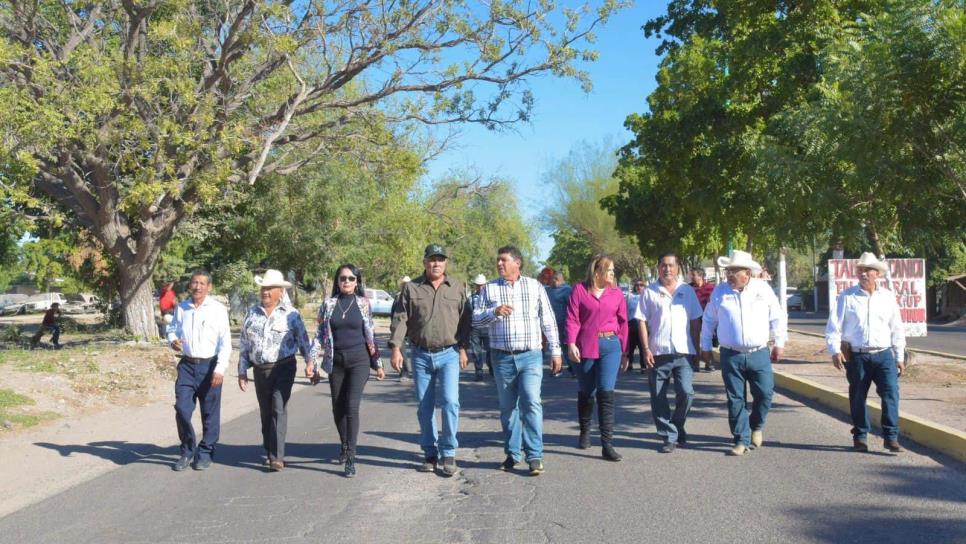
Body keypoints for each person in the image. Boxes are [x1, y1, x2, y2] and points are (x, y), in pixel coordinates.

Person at [474, 245, 563, 476]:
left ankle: (534, 456)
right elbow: (475, 320)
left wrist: (555, 351)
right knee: (508, 408)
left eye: (504, 260)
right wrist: (493, 312)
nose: (499, 264)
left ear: (517, 263)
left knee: (532, 402)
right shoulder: (489, 289)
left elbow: (548, 320)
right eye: (498, 260)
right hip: (502, 357)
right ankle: (513, 454)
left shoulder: (534, 286)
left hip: (530, 355)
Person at [389, 245, 471, 477]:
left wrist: (463, 349)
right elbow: (400, 319)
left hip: (449, 353)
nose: (436, 264)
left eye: (440, 260)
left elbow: (466, 321)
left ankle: (448, 453)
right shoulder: (411, 288)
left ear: (445, 263)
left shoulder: (457, 287)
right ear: (424, 262)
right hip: (421, 354)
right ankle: (429, 452)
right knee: (424, 406)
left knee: (450, 402)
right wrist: (396, 349)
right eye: (432, 259)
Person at [700, 251, 786, 456]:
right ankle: (741, 439)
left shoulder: (762, 289)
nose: (729, 274)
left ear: (746, 272)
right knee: (735, 398)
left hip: (759, 353)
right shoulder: (720, 292)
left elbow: (777, 317)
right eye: (727, 270)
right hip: (731, 354)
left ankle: (756, 426)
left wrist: (779, 342)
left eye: (733, 271)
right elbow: (709, 320)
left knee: (765, 393)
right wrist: (705, 347)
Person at [824, 252, 906, 453]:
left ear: (876, 273)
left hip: (884, 355)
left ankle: (891, 437)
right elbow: (833, 326)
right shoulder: (848, 296)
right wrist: (835, 350)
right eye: (860, 270)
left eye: (867, 270)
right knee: (858, 395)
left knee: (891, 395)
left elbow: (897, 328)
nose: (863, 273)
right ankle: (860, 436)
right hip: (858, 355)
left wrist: (900, 356)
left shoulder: (887, 297)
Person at [310, 264, 385, 477]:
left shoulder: (363, 303)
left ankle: (351, 456)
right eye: (343, 278)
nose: (347, 282)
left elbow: (370, 333)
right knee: (337, 406)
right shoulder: (328, 304)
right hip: (336, 360)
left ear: (357, 281)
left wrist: (377, 363)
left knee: (351, 405)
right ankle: (344, 444)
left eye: (351, 278)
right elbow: (320, 335)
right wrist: (312, 362)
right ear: (337, 281)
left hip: (359, 359)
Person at [237, 270, 312, 472]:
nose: (266, 292)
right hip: (260, 370)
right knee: (265, 412)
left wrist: (309, 363)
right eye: (264, 288)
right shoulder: (251, 313)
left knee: (278, 407)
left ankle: (276, 456)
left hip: (283, 367)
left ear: (280, 291)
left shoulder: (291, 314)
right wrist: (242, 371)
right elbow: (244, 344)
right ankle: (270, 449)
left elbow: (303, 340)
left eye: (270, 289)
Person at [635, 253, 702, 453]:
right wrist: (645, 349)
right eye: (663, 265)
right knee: (658, 396)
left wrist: (697, 350)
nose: (667, 269)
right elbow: (641, 320)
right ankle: (669, 436)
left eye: (671, 266)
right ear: (658, 268)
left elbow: (695, 321)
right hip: (658, 352)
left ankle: (677, 424)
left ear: (677, 268)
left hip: (683, 353)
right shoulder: (650, 292)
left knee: (687, 392)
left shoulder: (687, 291)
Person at [566, 255, 629, 461]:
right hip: (586, 346)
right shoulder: (579, 290)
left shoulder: (617, 293)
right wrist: (571, 343)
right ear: (597, 272)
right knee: (587, 391)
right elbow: (573, 318)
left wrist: (625, 349)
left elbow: (623, 322)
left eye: (613, 271)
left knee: (606, 392)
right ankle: (585, 430)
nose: (613, 274)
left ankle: (607, 444)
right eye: (609, 270)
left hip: (611, 346)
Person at [167, 270, 232, 471]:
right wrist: (173, 341)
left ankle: (205, 452)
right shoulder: (182, 308)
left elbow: (225, 343)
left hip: (210, 366)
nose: (197, 287)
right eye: (195, 283)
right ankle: (187, 450)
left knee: (209, 413)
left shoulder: (218, 309)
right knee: (182, 409)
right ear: (190, 285)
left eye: (202, 283)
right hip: (187, 365)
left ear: (209, 287)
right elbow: (172, 329)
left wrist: (219, 369)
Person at [545, 270, 573, 377]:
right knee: (553, 347)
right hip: (551, 324)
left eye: (551, 280)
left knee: (565, 347)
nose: (550, 282)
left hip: (563, 324)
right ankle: (556, 369)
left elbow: (572, 308)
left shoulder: (567, 291)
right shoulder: (548, 290)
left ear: (557, 279)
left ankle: (573, 368)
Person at [690, 268, 716, 372]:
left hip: (708, 318)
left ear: (700, 276)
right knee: (695, 340)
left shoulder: (711, 288)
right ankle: (696, 363)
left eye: (694, 275)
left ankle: (708, 363)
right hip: (694, 318)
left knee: (707, 339)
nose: (692, 277)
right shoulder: (689, 288)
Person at [469, 274, 493, 381]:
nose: (480, 287)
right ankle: (478, 371)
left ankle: (492, 368)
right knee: (476, 351)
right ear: (475, 286)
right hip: (475, 328)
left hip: (488, 327)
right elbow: (468, 312)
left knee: (490, 350)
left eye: (482, 285)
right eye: (478, 285)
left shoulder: (491, 298)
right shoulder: (471, 298)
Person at [391, 275, 413, 381]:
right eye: (404, 284)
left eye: (407, 284)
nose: (405, 286)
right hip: (400, 329)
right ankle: (404, 372)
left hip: (413, 329)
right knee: (400, 349)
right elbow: (393, 313)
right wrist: (393, 327)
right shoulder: (397, 296)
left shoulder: (413, 296)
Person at [625, 279, 647, 373]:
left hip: (643, 324)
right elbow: (625, 310)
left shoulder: (647, 296)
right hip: (631, 323)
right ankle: (629, 364)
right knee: (631, 346)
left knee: (642, 346)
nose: (639, 287)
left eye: (641, 285)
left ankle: (643, 365)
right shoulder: (630, 296)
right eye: (637, 285)